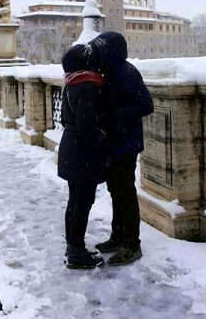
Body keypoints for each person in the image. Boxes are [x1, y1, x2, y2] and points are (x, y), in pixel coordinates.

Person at [89, 31, 154, 266]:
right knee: (116, 190)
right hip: (115, 142)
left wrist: (112, 116)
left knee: (125, 193)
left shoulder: (127, 73)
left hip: (126, 144)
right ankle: (117, 237)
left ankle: (131, 244)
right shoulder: (111, 71)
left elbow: (146, 105)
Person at [58, 44, 109, 269]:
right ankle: (76, 253)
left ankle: (73, 246)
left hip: (71, 149)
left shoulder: (71, 82)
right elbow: (87, 127)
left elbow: (67, 119)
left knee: (75, 202)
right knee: (82, 202)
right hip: (82, 154)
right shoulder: (87, 85)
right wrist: (103, 139)